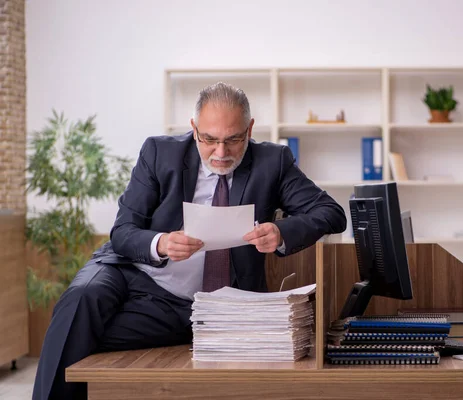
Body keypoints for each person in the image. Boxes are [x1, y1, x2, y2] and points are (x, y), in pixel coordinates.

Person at [32, 82, 347, 400]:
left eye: (233, 140)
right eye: (209, 140)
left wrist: (282, 233)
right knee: (81, 301)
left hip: (197, 308)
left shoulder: (272, 161)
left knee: (77, 332)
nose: (221, 153)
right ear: (194, 128)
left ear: (249, 129)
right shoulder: (159, 152)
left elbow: (331, 213)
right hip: (136, 274)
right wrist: (162, 242)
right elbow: (124, 230)